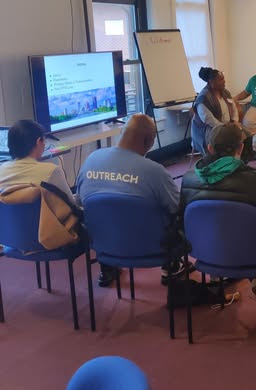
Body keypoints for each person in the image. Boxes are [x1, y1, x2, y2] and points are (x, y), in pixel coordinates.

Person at [180, 123, 256, 310]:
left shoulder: (188, 178)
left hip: (204, 252)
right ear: (240, 148)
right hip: (248, 252)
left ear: (209, 148)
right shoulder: (253, 180)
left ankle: (219, 271)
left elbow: (183, 221)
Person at [76, 114, 186, 287]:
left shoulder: (91, 160)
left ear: (122, 132)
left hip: (104, 245)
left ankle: (107, 269)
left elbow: (80, 203)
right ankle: (171, 267)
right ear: (149, 141)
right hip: (151, 247)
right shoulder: (155, 171)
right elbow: (177, 208)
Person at [0, 119, 74, 202]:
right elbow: (71, 203)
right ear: (39, 142)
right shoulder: (52, 171)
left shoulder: (2, 170)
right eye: (44, 140)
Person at [191, 67, 241, 156]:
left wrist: (235, 121)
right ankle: (225, 161)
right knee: (227, 141)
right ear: (211, 82)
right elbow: (210, 121)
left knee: (243, 136)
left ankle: (239, 160)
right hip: (210, 129)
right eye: (220, 80)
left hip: (227, 126)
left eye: (223, 79)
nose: (224, 81)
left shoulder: (225, 92)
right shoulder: (203, 98)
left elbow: (233, 108)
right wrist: (226, 129)